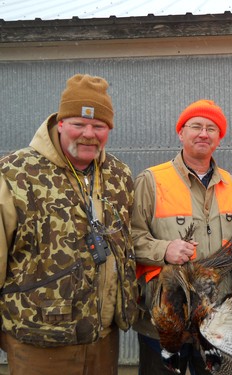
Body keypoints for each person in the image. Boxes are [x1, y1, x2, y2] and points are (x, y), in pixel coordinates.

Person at [0, 74, 138, 375]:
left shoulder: (119, 175)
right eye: (78, 123)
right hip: (38, 343)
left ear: (109, 130)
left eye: (99, 126)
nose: (88, 134)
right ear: (60, 123)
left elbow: (132, 242)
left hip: (102, 340)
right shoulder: (15, 173)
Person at [132, 99, 232, 375]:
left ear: (219, 139)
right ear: (181, 133)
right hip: (163, 319)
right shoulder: (151, 181)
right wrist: (164, 250)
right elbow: (130, 238)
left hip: (218, 318)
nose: (203, 133)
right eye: (195, 126)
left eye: (212, 128)